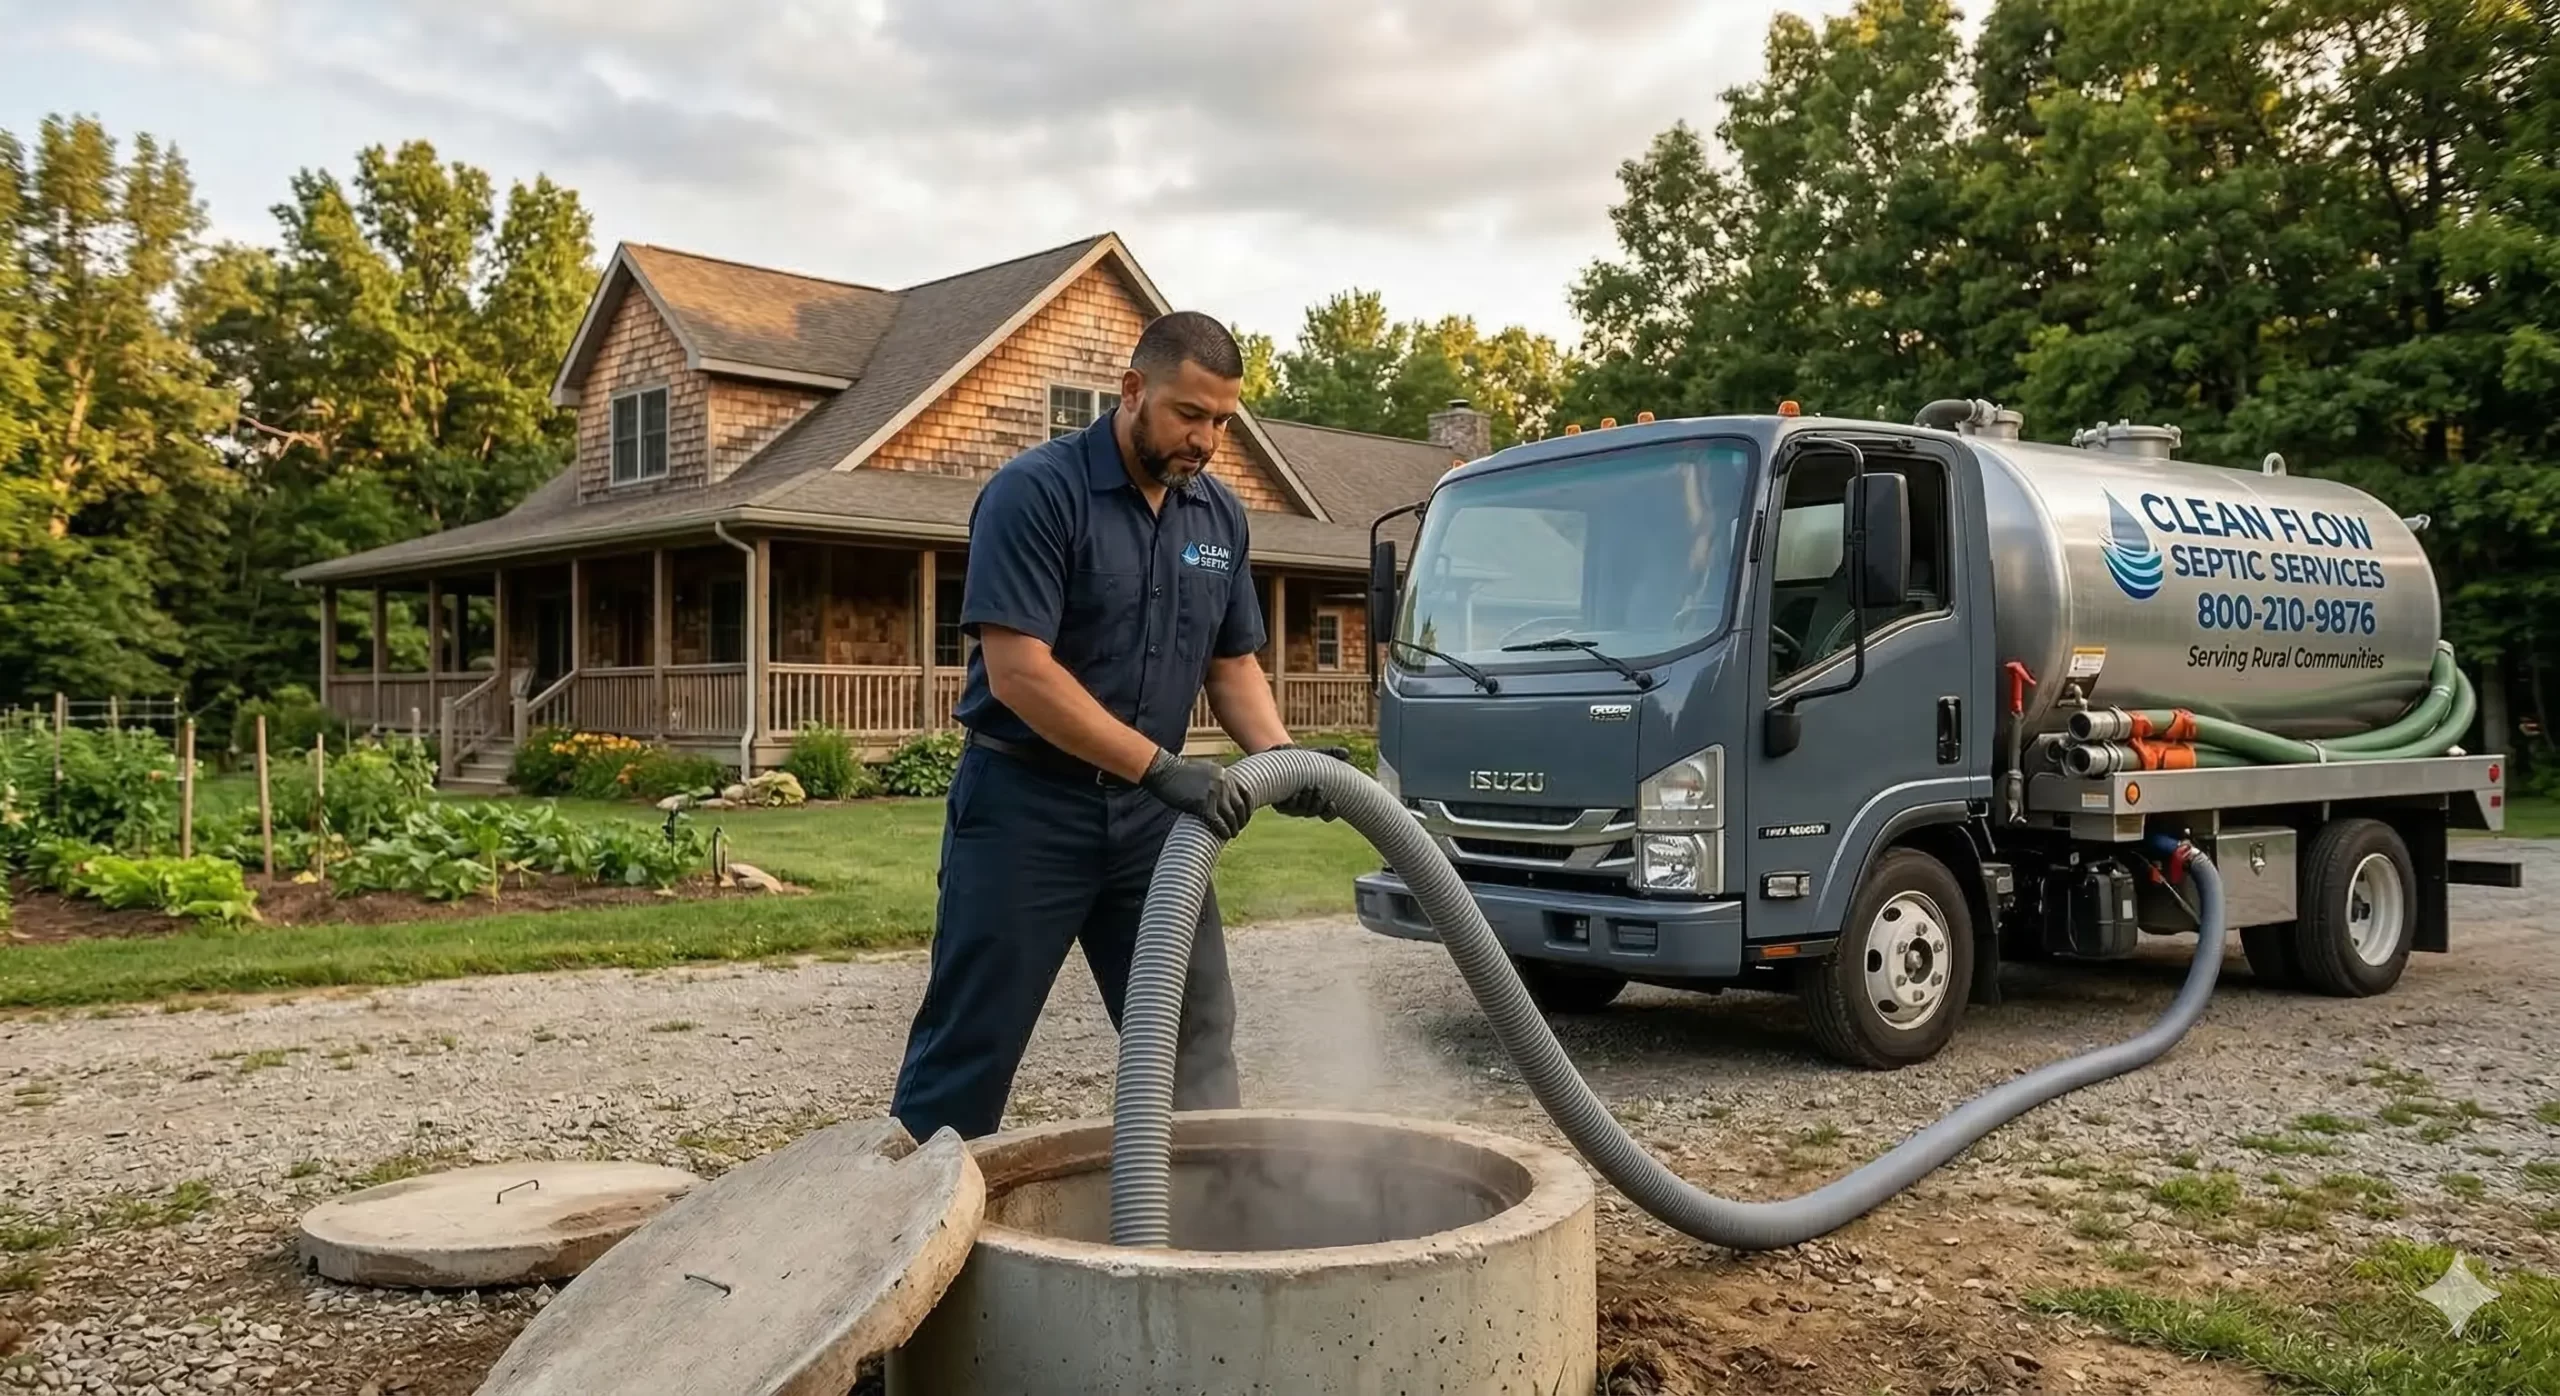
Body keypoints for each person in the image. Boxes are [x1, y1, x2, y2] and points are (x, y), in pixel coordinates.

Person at [888, 311, 1350, 1143]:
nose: (1206, 440)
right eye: (1189, 414)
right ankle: (905, 1249)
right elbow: (1019, 672)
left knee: (1195, 1037)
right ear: (1132, 389)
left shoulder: (1218, 518)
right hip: (1025, 808)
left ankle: (1207, 1235)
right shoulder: (1037, 492)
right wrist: (1156, 766)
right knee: (972, 1044)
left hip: (1149, 827)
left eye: (1222, 422)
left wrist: (1284, 762)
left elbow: (1231, 664)